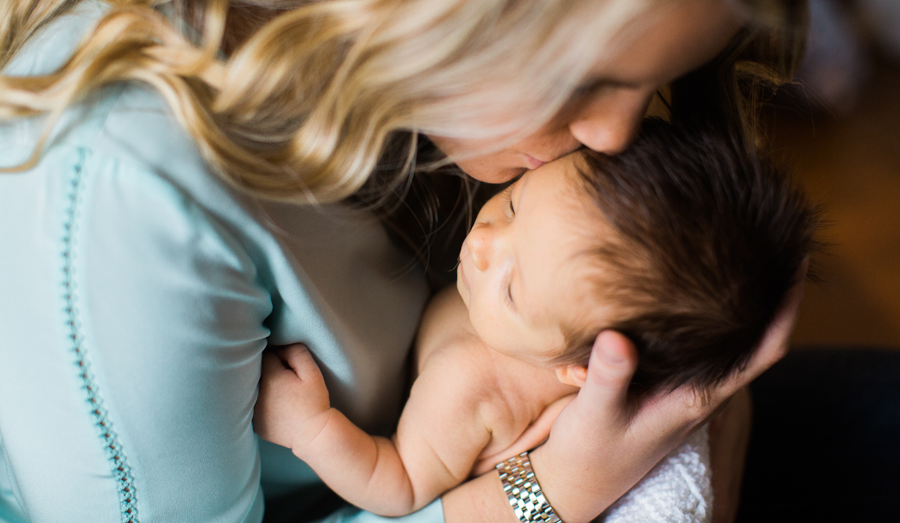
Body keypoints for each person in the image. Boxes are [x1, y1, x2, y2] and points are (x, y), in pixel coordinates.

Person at [0, 0, 809, 522]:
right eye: (583, 78)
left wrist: (705, 394)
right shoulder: (124, 185)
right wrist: (553, 492)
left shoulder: (430, 81)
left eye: (654, 81)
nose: (617, 138)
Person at [253, 118, 817, 517]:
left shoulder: (469, 387)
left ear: (583, 371)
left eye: (514, 288)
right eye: (516, 204)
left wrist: (313, 430)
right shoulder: (560, 309)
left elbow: (397, 487)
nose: (483, 244)